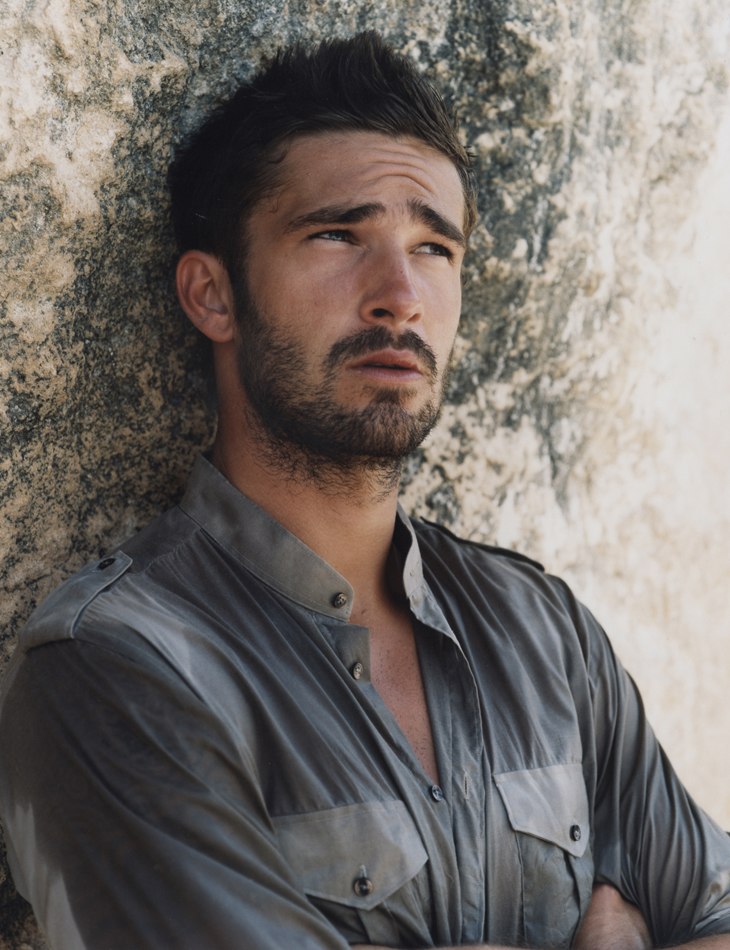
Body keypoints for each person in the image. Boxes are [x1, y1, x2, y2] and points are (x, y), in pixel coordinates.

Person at [0, 30, 729, 950]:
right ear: (213, 295)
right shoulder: (116, 670)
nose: (400, 295)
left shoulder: (542, 632)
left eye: (434, 247)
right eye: (339, 234)